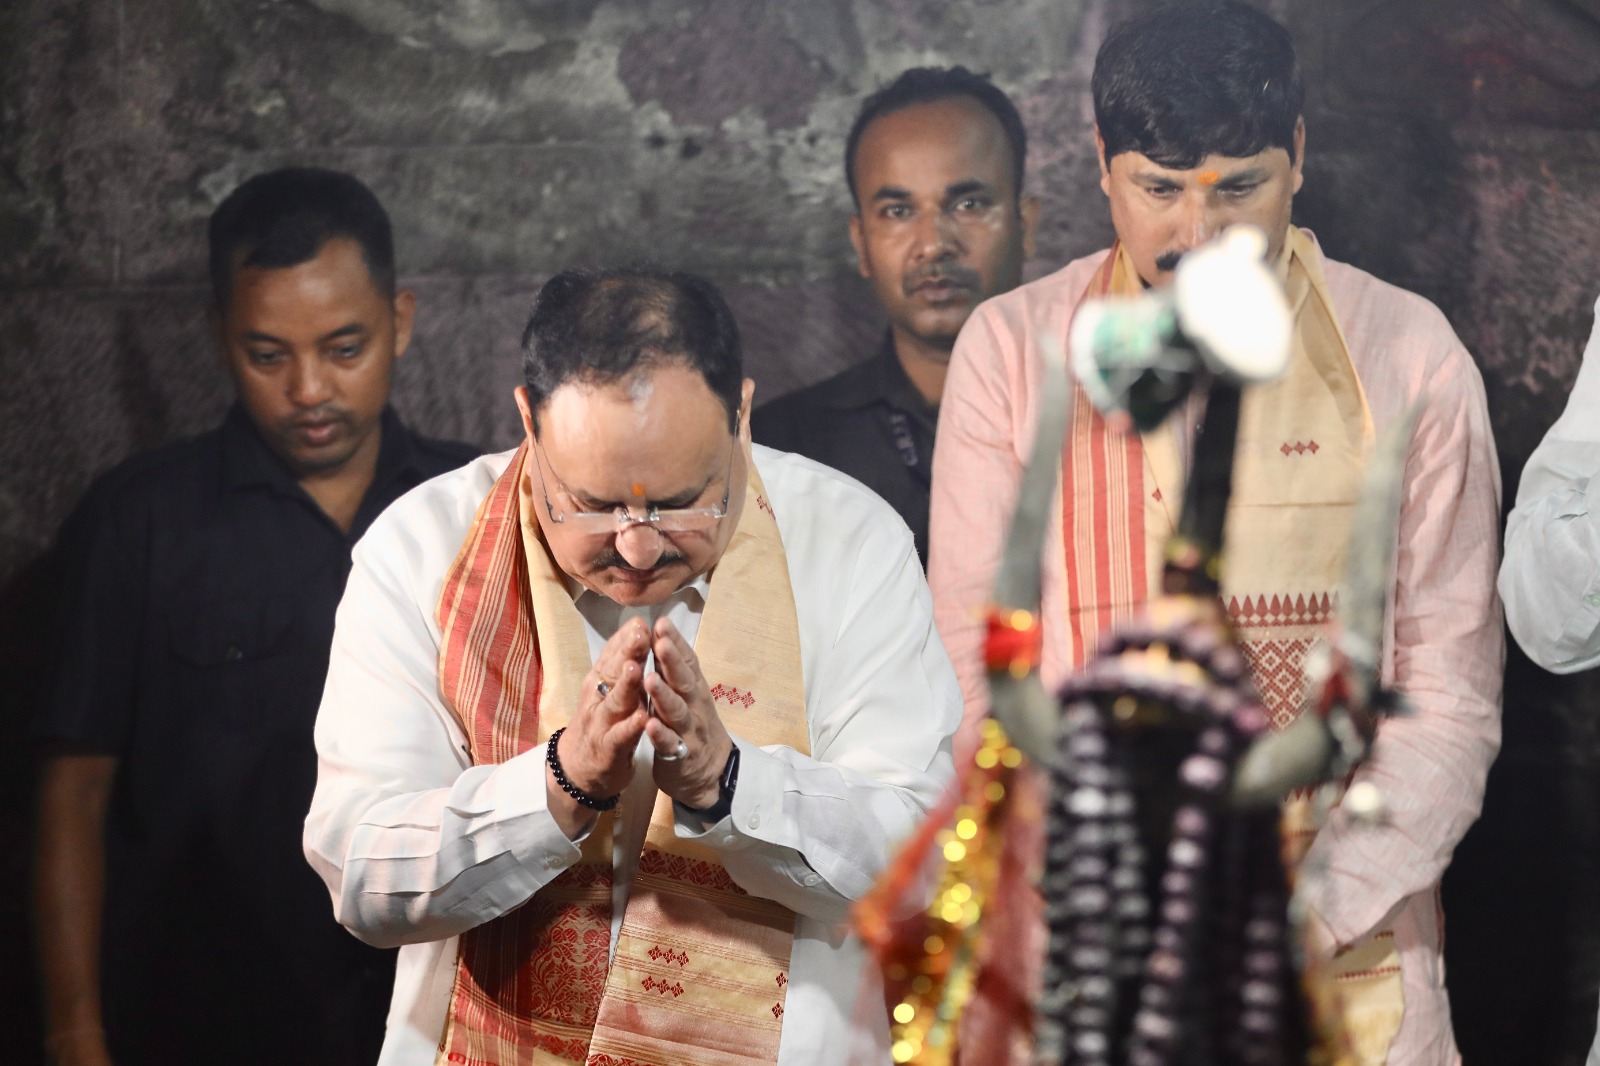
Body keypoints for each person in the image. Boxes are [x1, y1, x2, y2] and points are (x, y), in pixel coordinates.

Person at [928, 3, 1502, 1063]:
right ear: (1102, 166)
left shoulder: (1409, 358)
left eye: (1238, 187)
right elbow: (972, 669)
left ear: (1297, 156)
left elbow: (1448, 701)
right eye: (1158, 190)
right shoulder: (1011, 358)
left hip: (1344, 971)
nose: (1196, 236)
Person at [302, 267, 960, 1064]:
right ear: (528, 424)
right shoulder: (419, 551)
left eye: (683, 499)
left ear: (741, 416)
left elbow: (918, 862)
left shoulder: (852, 541)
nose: (640, 547)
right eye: (596, 505)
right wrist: (559, 786)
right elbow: (363, 875)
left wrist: (730, 784)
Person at [33, 167, 477, 1066]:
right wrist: (74, 1029)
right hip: (199, 1015)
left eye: (344, 347)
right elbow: (71, 795)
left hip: (430, 1017)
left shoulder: (473, 510)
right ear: (219, 336)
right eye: (268, 354)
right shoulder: (139, 521)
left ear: (402, 320)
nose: (308, 388)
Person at [754, 66, 1039, 565]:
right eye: (898, 212)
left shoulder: (1105, 418)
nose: (933, 244)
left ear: (1026, 225)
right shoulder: (782, 453)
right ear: (861, 243)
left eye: (969, 203)